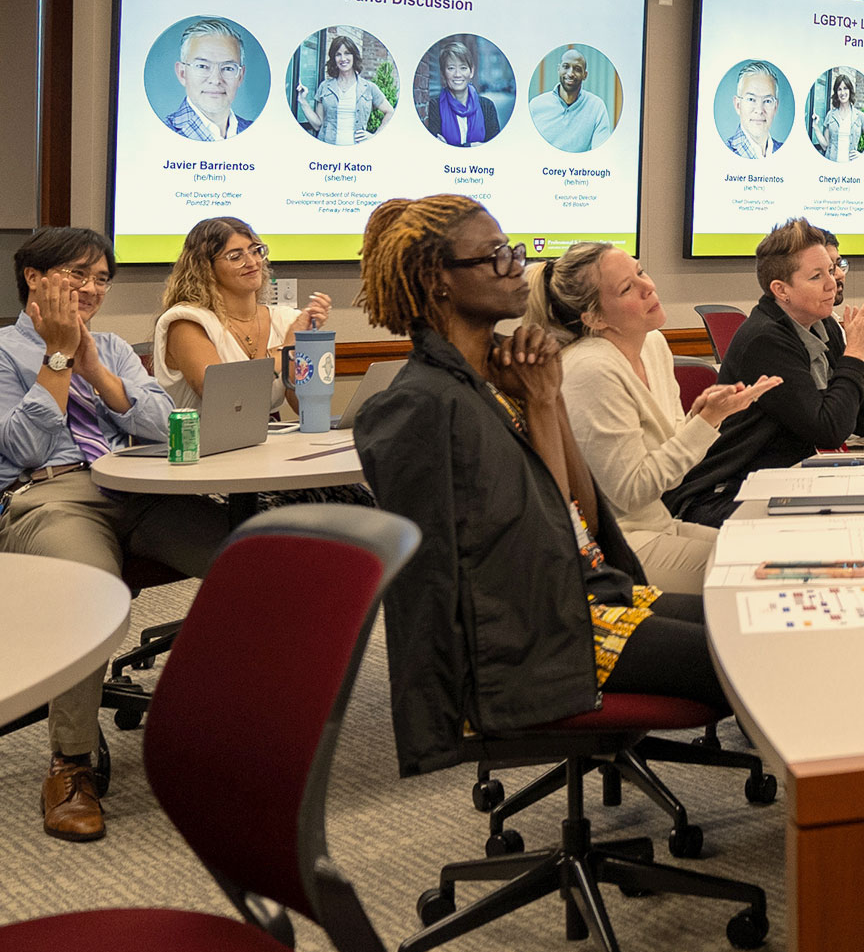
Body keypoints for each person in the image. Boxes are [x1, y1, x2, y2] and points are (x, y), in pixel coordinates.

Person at [351, 195, 732, 779]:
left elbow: (570, 515)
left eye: (514, 252)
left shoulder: (497, 381)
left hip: (579, 600)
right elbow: (436, 591)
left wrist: (545, 401)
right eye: (496, 256)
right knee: (758, 652)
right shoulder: (416, 406)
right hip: (536, 639)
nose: (518, 268)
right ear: (439, 280)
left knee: (749, 614)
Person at [0, 227, 230, 840]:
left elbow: (162, 425)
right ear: (35, 278)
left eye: (102, 278)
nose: (93, 289)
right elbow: (19, 449)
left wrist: (95, 367)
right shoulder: (1, 351)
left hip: (136, 489)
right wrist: (55, 357)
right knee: (87, 586)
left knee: (253, 555)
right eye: (79, 274)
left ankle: (247, 727)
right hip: (50, 497)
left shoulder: (113, 347)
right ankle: (70, 764)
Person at [525, 241, 777, 588]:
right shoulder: (590, 369)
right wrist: (704, 424)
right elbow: (632, 491)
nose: (649, 287)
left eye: (640, 271)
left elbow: (670, 471)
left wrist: (703, 418)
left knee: (775, 551)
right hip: (619, 545)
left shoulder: (653, 343)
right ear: (594, 318)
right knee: (766, 574)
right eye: (628, 288)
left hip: (657, 521)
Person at [671, 220, 864, 527]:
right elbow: (828, 429)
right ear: (781, 290)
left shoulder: (822, 323)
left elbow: (863, 424)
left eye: (831, 270)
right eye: (817, 276)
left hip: (785, 480)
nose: (832, 283)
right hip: (730, 492)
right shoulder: (765, 339)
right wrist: (855, 352)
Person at [153, 216, 332, 414]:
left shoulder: (286, 320)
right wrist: (285, 352)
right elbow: (225, 399)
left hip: (264, 440)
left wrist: (308, 343)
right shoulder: (186, 321)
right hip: (198, 441)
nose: (252, 262)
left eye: (255, 251)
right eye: (236, 257)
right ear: (205, 268)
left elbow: (307, 411)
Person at [163, 19, 252, 141]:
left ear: (240, 76)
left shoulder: (257, 131)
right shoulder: (162, 133)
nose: (216, 80)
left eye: (228, 68)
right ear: (182, 74)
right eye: (202, 66)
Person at [298, 34, 391, 146]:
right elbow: (318, 124)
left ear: (354, 56)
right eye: (338, 54)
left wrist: (375, 136)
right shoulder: (325, 87)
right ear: (334, 59)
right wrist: (303, 101)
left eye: (347, 53)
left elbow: (389, 111)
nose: (343, 59)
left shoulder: (369, 88)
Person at [530, 48, 615, 153]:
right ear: (558, 69)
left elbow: (601, 154)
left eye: (577, 69)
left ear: (585, 75)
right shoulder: (535, 105)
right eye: (566, 67)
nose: (570, 73)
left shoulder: (597, 107)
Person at [422, 40, 502, 147]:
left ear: (471, 72)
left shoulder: (487, 106)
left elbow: (495, 148)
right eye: (451, 68)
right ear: (443, 73)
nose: (457, 74)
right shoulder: (434, 106)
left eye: (463, 68)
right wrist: (471, 146)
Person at [724, 61, 784, 159]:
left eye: (767, 101)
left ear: (775, 107)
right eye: (751, 99)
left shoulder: (785, 150)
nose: (759, 110)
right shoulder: (723, 152)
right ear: (738, 105)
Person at [811, 72, 864, 162]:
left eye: (845, 88)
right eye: (839, 89)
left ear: (850, 91)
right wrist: (815, 127)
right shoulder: (830, 115)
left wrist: (863, 155)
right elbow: (825, 145)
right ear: (836, 93)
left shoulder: (859, 116)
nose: (842, 93)